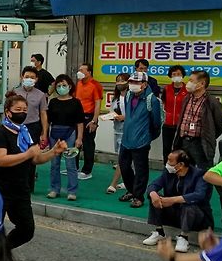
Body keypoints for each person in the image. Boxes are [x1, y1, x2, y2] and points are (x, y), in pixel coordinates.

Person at [0, 93, 65, 251]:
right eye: (18, 109)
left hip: (21, 189)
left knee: (26, 229)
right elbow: (0, 159)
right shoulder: (0, 133)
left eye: (25, 109)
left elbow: (35, 159)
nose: (22, 113)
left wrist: (53, 152)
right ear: (7, 112)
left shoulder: (25, 132)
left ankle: (0, 252)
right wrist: (27, 154)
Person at [142, 148, 213, 253]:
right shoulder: (168, 173)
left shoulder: (200, 175)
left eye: (170, 161)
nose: (167, 163)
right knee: (156, 197)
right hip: (175, 213)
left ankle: (184, 237)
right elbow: (153, 185)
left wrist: (173, 200)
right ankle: (159, 232)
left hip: (197, 215)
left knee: (189, 205)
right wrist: (153, 194)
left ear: (180, 164)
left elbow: (199, 195)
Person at [114, 71, 162, 209]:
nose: (133, 85)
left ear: (144, 84)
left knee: (141, 170)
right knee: (124, 166)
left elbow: (156, 123)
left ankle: (138, 197)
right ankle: (131, 190)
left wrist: (148, 136)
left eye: (136, 82)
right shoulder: (129, 95)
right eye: (131, 82)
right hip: (126, 138)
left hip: (141, 140)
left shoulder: (151, 100)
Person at [176, 70, 222, 170]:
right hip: (184, 141)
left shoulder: (212, 102)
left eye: (191, 80)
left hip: (201, 144)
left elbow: (219, 125)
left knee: (203, 174)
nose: (188, 83)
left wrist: (208, 136)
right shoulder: (187, 98)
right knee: (185, 173)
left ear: (202, 84)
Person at [44, 75, 83, 201]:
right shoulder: (53, 102)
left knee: (70, 164)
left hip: (70, 133)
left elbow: (80, 122)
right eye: (59, 86)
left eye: (64, 85)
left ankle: (72, 191)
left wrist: (79, 138)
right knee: (54, 163)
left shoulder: (76, 102)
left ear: (70, 86)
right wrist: (45, 134)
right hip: (54, 133)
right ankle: (54, 189)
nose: (61, 88)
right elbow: (48, 121)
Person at [74, 62, 103, 180]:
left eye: (82, 70)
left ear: (89, 72)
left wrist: (94, 121)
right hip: (77, 115)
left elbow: (97, 103)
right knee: (75, 141)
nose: (79, 72)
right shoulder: (79, 83)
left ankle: (87, 170)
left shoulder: (95, 85)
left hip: (89, 116)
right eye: (79, 69)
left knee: (88, 144)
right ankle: (74, 167)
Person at [161, 64, 189, 158]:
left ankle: (179, 170)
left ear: (182, 75)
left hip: (181, 124)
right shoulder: (166, 89)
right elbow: (163, 103)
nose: (176, 76)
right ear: (170, 76)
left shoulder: (188, 90)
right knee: (166, 148)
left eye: (178, 74)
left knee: (180, 149)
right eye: (174, 74)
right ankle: (167, 169)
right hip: (167, 123)